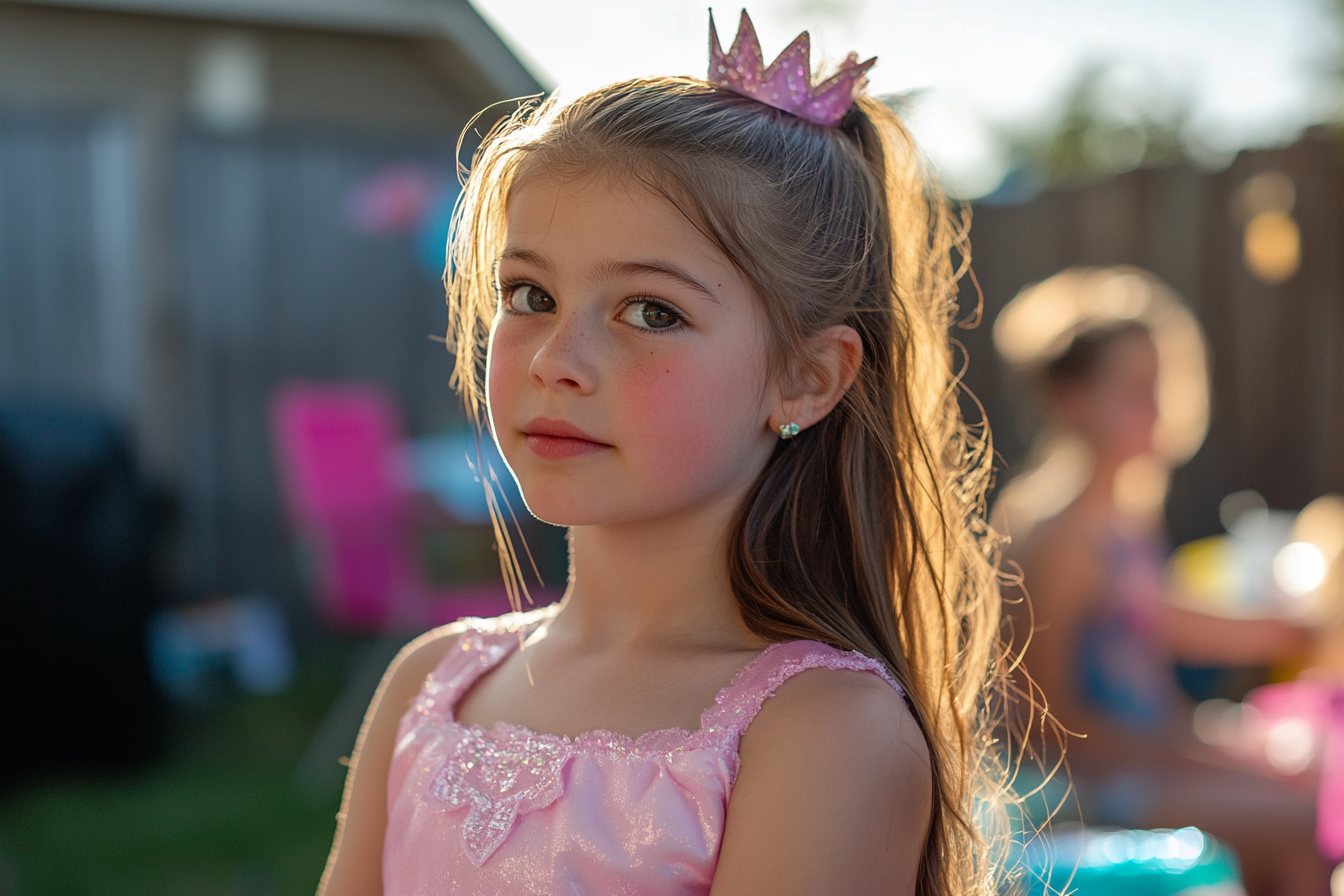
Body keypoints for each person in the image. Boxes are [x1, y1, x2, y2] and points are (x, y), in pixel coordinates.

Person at [317, 11, 1009, 895]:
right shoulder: (430, 683)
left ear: (805, 378)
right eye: (529, 293)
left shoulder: (821, 733)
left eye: (651, 311)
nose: (555, 360)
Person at [1003, 317, 1329, 896]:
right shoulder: (1060, 537)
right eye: (1134, 389)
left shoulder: (1126, 518)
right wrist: (1202, 758)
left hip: (1142, 760)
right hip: (1085, 790)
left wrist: (1215, 741)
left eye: (1161, 384)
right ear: (1072, 400)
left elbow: (1164, 636)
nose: (1158, 406)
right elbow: (1048, 726)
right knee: (1305, 818)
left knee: (1308, 779)